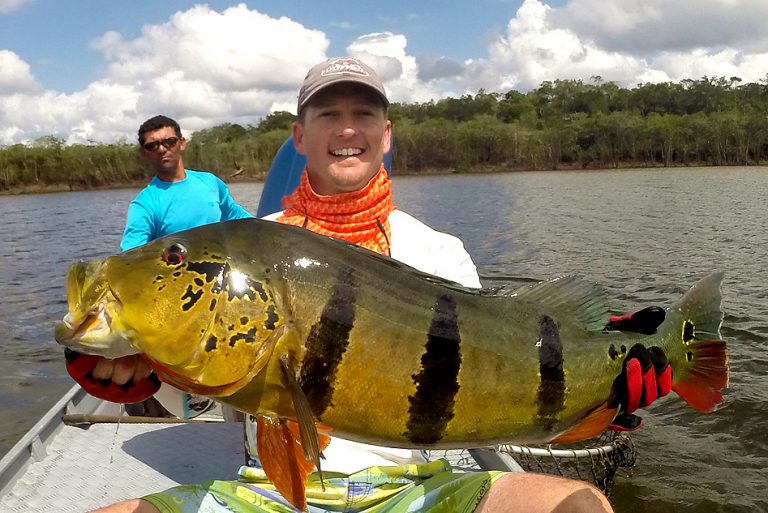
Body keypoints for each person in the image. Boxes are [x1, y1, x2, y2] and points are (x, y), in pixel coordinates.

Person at [86, 57, 670, 513]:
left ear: (385, 135)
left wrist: (602, 388)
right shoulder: (252, 247)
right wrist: (125, 358)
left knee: (578, 505)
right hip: (264, 491)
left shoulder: (439, 252)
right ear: (299, 134)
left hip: (419, 491)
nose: (347, 129)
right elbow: (209, 364)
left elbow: (506, 364)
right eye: (327, 114)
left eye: (363, 115)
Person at [64, 115, 253, 418]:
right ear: (145, 153)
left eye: (168, 141)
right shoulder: (146, 203)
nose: (162, 149)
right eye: (153, 145)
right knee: (169, 392)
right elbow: (132, 256)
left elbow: (243, 221)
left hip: (223, 298)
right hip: (179, 304)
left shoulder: (210, 183)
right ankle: (170, 406)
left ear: (182, 143)